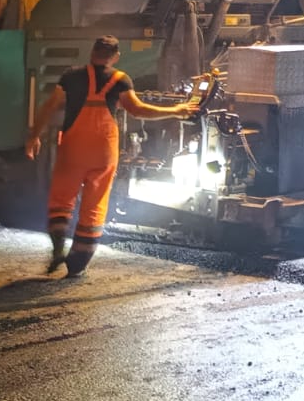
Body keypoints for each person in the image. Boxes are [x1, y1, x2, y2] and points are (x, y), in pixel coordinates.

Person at [24, 35, 199, 277]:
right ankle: (77, 266)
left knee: (61, 202)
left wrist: (34, 136)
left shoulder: (71, 76)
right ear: (115, 56)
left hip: (73, 149)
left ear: (92, 52)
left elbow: (49, 106)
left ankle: (57, 250)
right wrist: (176, 111)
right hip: (104, 152)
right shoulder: (120, 80)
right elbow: (138, 111)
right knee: (94, 207)